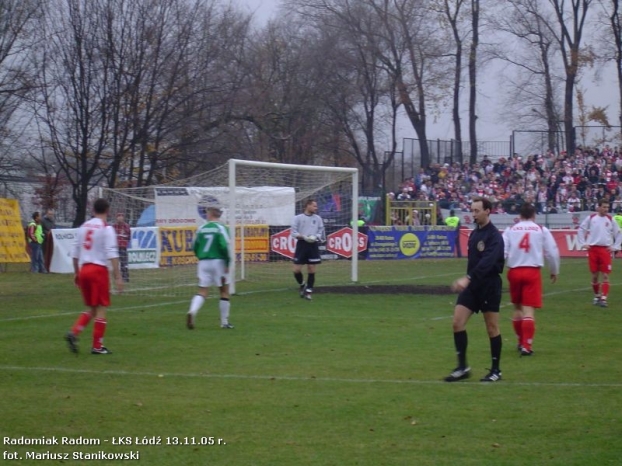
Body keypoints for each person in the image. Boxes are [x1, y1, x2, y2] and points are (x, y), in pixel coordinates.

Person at [445, 197, 505, 383]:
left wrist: (468, 277)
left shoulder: (495, 237)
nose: (473, 214)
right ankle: (463, 367)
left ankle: (496, 370)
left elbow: (487, 263)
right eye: (472, 210)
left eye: (477, 211)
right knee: (457, 322)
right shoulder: (474, 234)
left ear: (488, 211)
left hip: (489, 286)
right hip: (472, 287)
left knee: (492, 328)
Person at [65, 198, 123, 355]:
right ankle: (97, 346)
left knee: (91, 307)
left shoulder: (83, 227)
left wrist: (77, 272)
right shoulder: (106, 228)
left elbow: (75, 253)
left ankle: (74, 332)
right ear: (107, 210)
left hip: (84, 269)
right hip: (98, 270)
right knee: (101, 308)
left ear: (93, 210)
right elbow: (112, 253)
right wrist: (118, 277)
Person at [502, 203, 560, 356]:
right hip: (532, 271)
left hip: (514, 271)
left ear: (519, 216)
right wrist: (554, 270)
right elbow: (552, 252)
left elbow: (502, 251)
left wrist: (497, 268)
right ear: (534, 215)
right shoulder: (541, 229)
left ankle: (520, 341)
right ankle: (527, 346)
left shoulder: (510, 229)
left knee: (517, 308)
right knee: (528, 310)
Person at [186, 199, 233, 330]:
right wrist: (228, 263)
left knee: (202, 291)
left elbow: (194, 246)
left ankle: (192, 311)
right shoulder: (221, 228)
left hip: (203, 262)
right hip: (219, 262)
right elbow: (225, 246)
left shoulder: (201, 229)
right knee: (224, 291)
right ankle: (224, 322)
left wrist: (200, 256)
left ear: (210, 213)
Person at [577, 200, 622, 307]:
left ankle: (604, 298)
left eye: (607, 207)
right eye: (604, 207)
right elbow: (581, 229)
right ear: (598, 207)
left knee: (605, 275)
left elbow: (619, 233)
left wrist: (615, 247)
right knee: (594, 276)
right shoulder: (591, 218)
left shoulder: (611, 219)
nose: (606, 209)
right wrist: (583, 243)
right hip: (593, 250)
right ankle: (597, 296)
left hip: (605, 250)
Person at [291, 199, 325, 301]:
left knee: (311, 268)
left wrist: (316, 237)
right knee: (296, 270)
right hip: (302, 244)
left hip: (313, 245)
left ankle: (309, 291)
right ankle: (302, 285)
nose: (316, 208)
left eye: (316, 206)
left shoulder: (318, 218)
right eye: (314, 206)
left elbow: (321, 230)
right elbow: (293, 232)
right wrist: (303, 237)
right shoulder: (297, 218)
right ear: (307, 206)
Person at [113, 212, 131, 282]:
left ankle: (125, 277)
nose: (120, 217)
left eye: (121, 216)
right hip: (115, 248)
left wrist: (125, 243)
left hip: (123, 247)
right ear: (116, 218)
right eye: (118, 216)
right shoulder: (114, 227)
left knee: (124, 263)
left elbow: (129, 237)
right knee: (115, 264)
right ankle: (117, 277)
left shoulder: (127, 227)